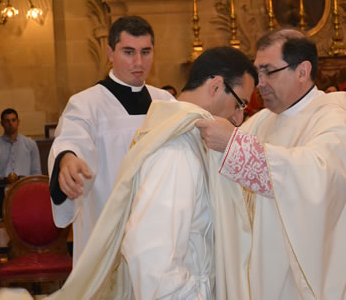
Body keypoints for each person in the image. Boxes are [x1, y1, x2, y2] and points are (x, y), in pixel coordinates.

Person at [46, 46, 257, 299]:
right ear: (215, 86)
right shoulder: (177, 148)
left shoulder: (179, 129)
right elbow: (150, 254)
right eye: (239, 103)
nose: (238, 117)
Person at [196, 29, 346, 299]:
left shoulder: (334, 121)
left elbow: (318, 179)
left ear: (302, 71)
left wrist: (234, 147)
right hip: (267, 273)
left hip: (316, 277)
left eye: (268, 71)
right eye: (257, 72)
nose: (259, 83)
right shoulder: (262, 120)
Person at [48, 16, 175, 264]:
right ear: (110, 53)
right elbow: (71, 139)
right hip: (107, 232)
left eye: (145, 52)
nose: (139, 62)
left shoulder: (167, 104)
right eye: (129, 52)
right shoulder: (87, 104)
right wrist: (67, 160)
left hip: (158, 232)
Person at [0, 108, 41, 219]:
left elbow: (36, 173)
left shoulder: (30, 144)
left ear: (18, 122)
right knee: (4, 223)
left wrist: (25, 180)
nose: (11, 123)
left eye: (13, 120)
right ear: (2, 123)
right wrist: (0, 180)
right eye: (7, 121)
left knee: (28, 221)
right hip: (1, 191)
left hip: (26, 190)